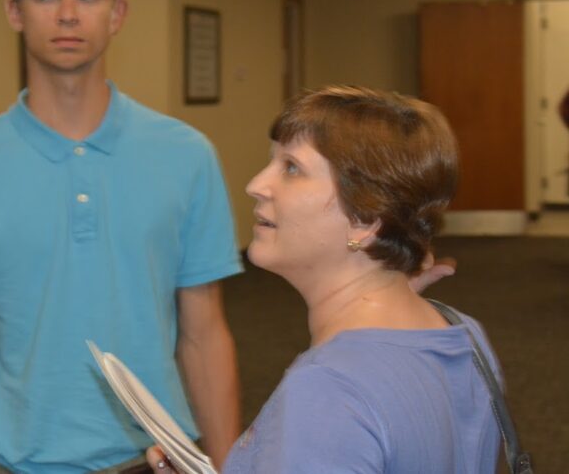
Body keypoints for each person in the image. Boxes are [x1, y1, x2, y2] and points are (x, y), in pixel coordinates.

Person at [0, 0, 243, 473]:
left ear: (117, 14)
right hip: (18, 463)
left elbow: (205, 335)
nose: (67, 14)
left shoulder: (187, 155)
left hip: (159, 458)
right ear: (14, 12)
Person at [147, 86, 501, 473]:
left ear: (365, 221)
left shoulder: (328, 389)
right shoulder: (463, 335)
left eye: (292, 168)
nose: (256, 185)